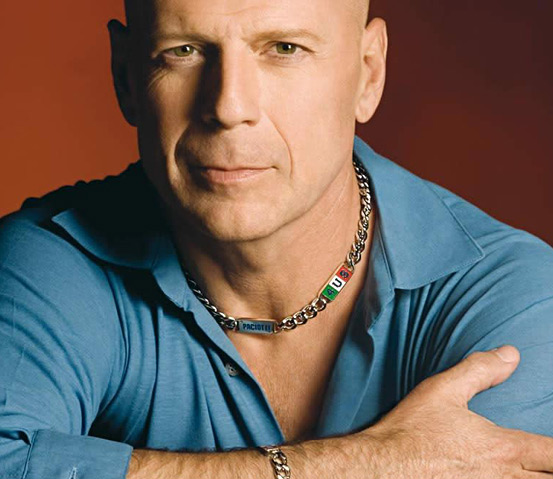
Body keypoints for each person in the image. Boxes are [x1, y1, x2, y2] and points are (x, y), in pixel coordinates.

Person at [1, 0, 553, 478]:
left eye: (284, 48)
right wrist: (362, 466)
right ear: (125, 76)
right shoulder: (51, 260)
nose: (228, 107)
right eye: (184, 50)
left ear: (368, 74)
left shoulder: (515, 296)